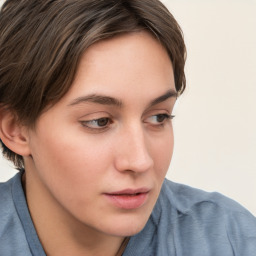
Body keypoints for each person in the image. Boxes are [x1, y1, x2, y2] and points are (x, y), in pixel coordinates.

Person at [0, 0, 255, 255]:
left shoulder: (233, 239)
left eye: (158, 117)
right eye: (99, 121)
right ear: (16, 129)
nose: (140, 161)